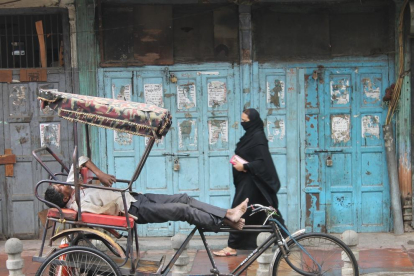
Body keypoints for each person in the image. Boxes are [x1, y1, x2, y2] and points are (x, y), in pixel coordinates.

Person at [44, 157, 248, 231]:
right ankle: (224, 220)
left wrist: (99, 175)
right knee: (182, 210)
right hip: (133, 209)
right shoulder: (78, 206)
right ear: (63, 198)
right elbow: (105, 214)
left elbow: (80, 158)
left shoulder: (72, 184)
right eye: (60, 187)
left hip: (135, 196)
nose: (62, 184)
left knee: (184, 198)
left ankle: (227, 214)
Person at [213, 108, 287, 257]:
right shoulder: (250, 136)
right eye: (241, 121)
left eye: (245, 121)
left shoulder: (258, 137)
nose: (242, 124)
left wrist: (245, 166)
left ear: (253, 122)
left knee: (239, 211)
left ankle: (232, 246)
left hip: (253, 183)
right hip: (250, 183)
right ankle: (285, 239)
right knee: (266, 210)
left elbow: (262, 162)